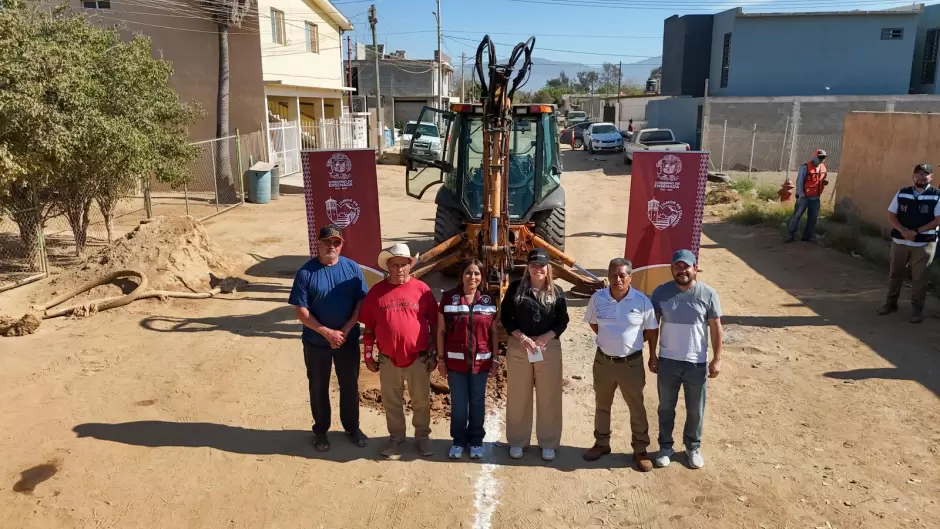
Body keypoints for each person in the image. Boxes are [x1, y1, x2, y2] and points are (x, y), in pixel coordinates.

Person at [288, 224, 369, 452]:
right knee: (318, 387)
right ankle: (321, 431)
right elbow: (301, 312)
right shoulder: (306, 273)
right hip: (316, 343)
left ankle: (352, 427)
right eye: (327, 242)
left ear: (341, 245)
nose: (331, 247)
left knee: (350, 385)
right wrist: (327, 332)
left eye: (336, 243)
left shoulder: (352, 268)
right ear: (318, 244)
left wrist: (344, 329)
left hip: (348, 340)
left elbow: (360, 303)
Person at [359, 242, 438, 458]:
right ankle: (396, 437)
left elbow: (435, 325)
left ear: (410, 266)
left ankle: (422, 437)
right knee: (391, 401)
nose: (400, 269)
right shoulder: (376, 293)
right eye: (395, 265)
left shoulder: (422, 290)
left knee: (421, 400)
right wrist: (368, 357)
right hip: (388, 359)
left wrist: (434, 354)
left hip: (418, 359)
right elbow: (369, 329)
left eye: (404, 264)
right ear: (388, 267)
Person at [582, 258, 658, 472]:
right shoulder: (598, 299)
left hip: (631, 365)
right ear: (608, 276)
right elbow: (593, 323)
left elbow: (651, 331)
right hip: (603, 362)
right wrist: (611, 341)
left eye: (622, 275)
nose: (618, 279)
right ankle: (601, 444)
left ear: (630, 277)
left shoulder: (642, 301)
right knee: (602, 405)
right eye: (614, 275)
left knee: (637, 408)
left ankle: (640, 450)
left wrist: (652, 355)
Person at [650, 249, 723, 470]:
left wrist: (717, 358)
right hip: (668, 361)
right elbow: (653, 327)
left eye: (686, 267)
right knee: (665, 407)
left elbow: (716, 328)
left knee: (695, 409)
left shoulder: (708, 294)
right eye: (677, 267)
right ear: (672, 269)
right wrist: (652, 354)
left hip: (696, 363)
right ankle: (665, 447)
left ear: (694, 268)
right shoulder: (661, 293)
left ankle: (693, 447)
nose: (681, 271)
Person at [500, 248, 570, 461]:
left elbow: (562, 321)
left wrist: (547, 337)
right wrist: (523, 338)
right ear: (527, 268)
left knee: (549, 396)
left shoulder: (556, 292)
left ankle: (548, 442)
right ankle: (518, 441)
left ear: (548, 268)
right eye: (534, 265)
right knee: (518, 395)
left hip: (547, 348)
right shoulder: (515, 289)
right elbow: (506, 317)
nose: (538, 269)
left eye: (542, 265)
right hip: (520, 347)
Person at [436, 259, 499, 460]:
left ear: (482, 276)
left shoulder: (489, 299)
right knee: (459, 404)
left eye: (477, 273)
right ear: (461, 275)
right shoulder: (448, 298)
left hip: (481, 363)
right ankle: (458, 441)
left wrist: (496, 359)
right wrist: (441, 360)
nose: (473, 277)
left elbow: (494, 332)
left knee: (478, 402)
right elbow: (440, 331)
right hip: (455, 364)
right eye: (468, 273)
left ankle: (476, 441)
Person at [877, 164, 940, 324]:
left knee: (920, 279)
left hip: (924, 244)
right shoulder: (902, 193)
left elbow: (938, 220)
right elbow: (892, 214)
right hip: (900, 242)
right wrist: (903, 231)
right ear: (913, 176)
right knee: (895, 274)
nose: (921, 176)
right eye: (918, 173)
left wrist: (916, 232)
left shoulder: (936, 195)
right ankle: (890, 304)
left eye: (925, 174)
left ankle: (917, 310)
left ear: (931, 177)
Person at [784, 149, 829, 243]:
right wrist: (801, 195)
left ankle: (807, 236)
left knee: (813, 218)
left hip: (816, 197)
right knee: (797, 216)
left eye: (823, 158)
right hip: (804, 197)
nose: (821, 159)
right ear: (814, 157)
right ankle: (790, 234)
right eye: (820, 157)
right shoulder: (805, 167)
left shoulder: (823, 168)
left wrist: (824, 182)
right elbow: (800, 182)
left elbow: (821, 179)